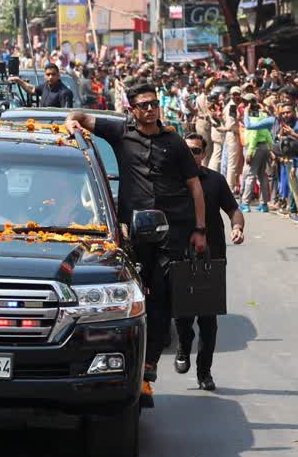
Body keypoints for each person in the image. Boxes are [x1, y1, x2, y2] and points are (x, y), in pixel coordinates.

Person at [66, 83, 208, 407]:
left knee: (164, 297)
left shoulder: (174, 141)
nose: (149, 110)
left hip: (173, 231)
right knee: (133, 297)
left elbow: (195, 187)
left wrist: (200, 229)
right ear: (132, 109)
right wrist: (70, 124)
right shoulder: (120, 133)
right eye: (143, 105)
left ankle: (150, 365)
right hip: (132, 234)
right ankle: (128, 368)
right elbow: (78, 116)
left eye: (153, 104)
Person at [174, 133, 245, 391]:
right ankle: (183, 345)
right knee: (182, 316)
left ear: (203, 154)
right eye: (187, 150)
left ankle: (205, 373)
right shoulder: (173, 181)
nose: (192, 155)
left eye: (196, 151)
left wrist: (237, 227)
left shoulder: (215, 180)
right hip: (180, 258)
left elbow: (233, 209)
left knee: (209, 321)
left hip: (211, 259)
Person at [9, 64, 75, 108]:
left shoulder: (64, 92)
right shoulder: (45, 86)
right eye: (48, 74)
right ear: (44, 76)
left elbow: (66, 114)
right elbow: (31, 89)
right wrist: (18, 80)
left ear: (58, 75)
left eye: (53, 74)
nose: (51, 77)